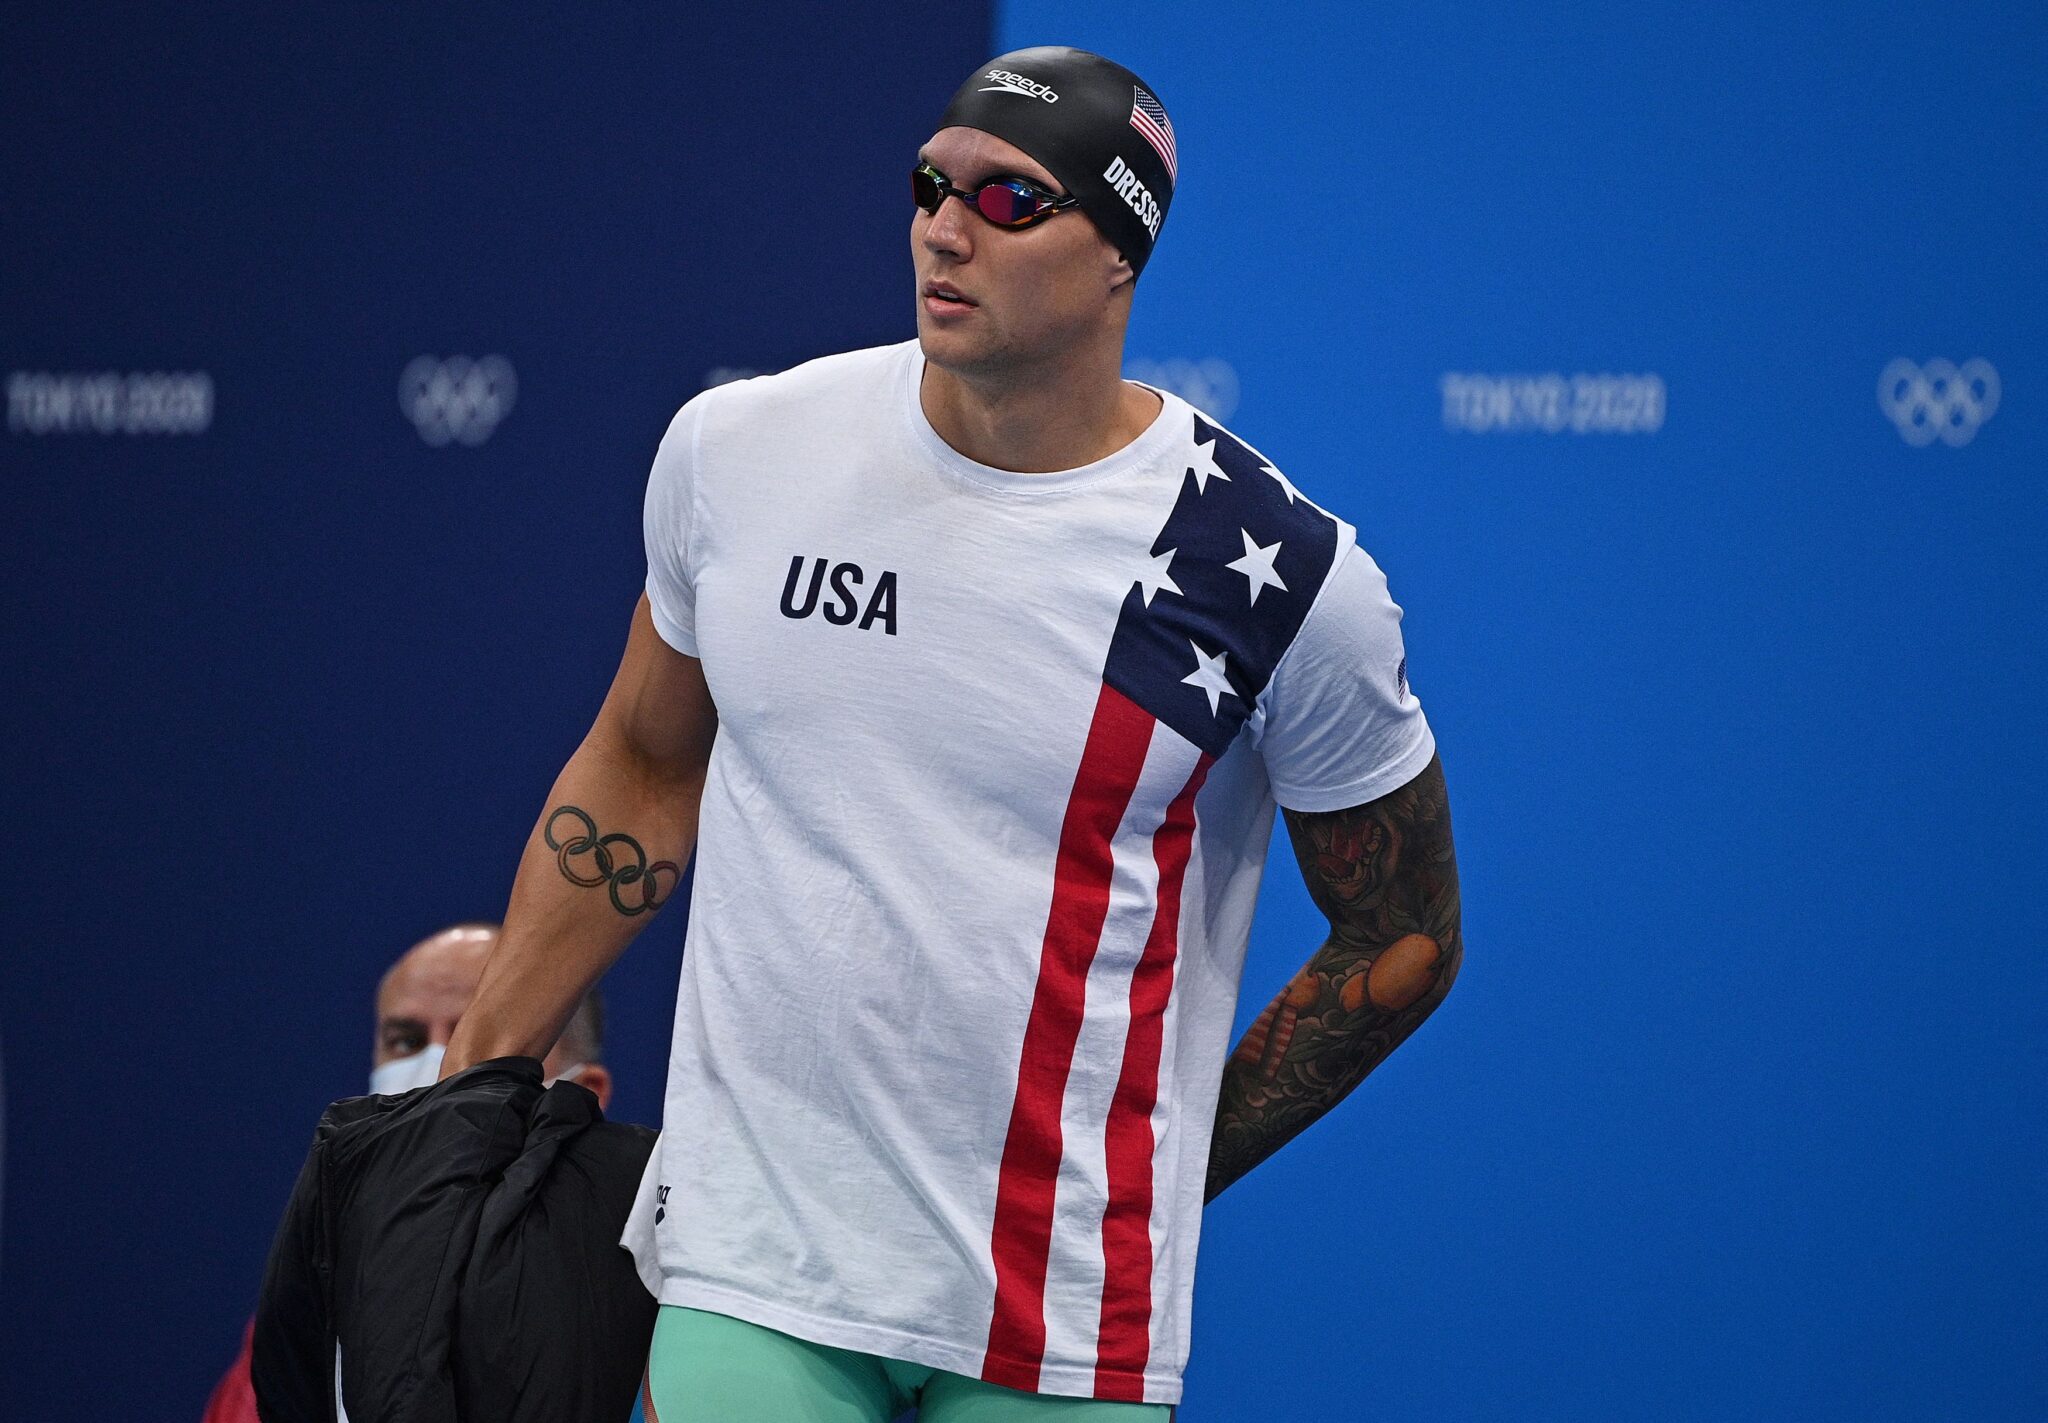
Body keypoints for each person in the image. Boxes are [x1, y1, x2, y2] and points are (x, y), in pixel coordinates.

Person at [442, 45, 1465, 1422]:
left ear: (1122, 256)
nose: (945, 224)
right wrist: (470, 1082)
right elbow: (642, 764)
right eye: (933, 183)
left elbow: (1401, 934)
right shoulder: (737, 451)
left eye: (1010, 199)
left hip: (1059, 1313)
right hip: (759, 1263)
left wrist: (1163, 1172)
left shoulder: (1274, 570)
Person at [204, 923, 614, 1423]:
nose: (439, 1065)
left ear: (586, 1092)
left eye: (474, 1037)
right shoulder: (317, 1306)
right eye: (406, 1041)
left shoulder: (644, 1293)